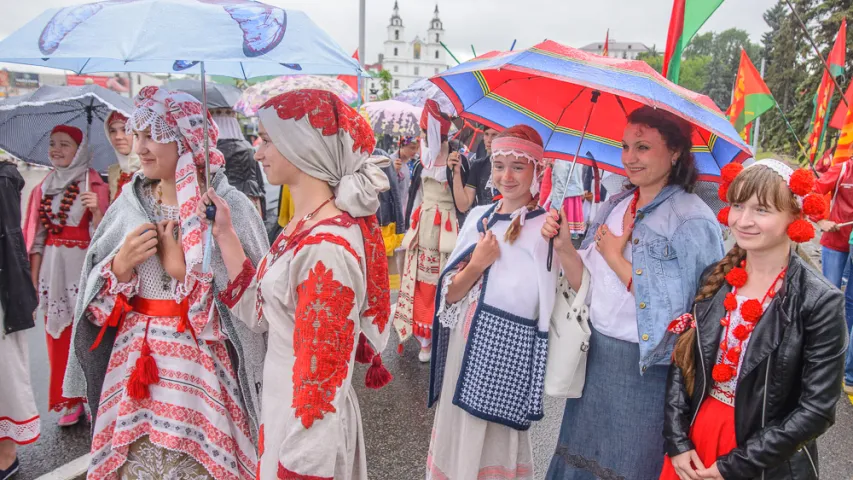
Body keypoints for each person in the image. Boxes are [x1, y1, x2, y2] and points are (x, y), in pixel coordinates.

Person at [62, 86, 268, 479]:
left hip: (202, 366)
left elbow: (252, 304)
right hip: (135, 365)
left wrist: (181, 270)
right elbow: (97, 306)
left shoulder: (228, 206)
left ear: (186, 140)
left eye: (152, 135)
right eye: (135, 134)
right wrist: (119, 267)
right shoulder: (129, 203)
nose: (139, 146)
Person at [209, 89, 392, 479]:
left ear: (303, 144)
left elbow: (323, 384)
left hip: (306, 435)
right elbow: (263, 314)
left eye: (267, 139)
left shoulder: (326, 248)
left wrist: (300, 467)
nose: (257, 152)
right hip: (283, 410)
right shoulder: (303, 226)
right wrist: (225, 234)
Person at [541, 106, 725, 480]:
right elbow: (587, 288)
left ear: (675, 152)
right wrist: (563, 247)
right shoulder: (615, 204)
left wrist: (613, 256)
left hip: (648, 373)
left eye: (642, 147)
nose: (629, 157)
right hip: (598, 358)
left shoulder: (693, 218)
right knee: (582, 462)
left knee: (629, 466)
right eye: (625, 147)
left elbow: (684, 311)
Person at [661, 160, 846, 480]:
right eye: (737, 205)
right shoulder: (715, 278)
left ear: (795, 216)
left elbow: (816, 411)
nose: (743, 220)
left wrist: (736, 464)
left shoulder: (819, 302)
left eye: (761, 209)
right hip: (698, 440)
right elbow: (684, 363)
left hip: (765, 456)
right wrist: (677, 441)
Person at [427, 125, 557, 479]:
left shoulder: (546, 228)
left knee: (494, 437)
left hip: (507, 349)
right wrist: (478, 264)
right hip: (465, 345)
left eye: (518, 166)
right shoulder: (477, 219)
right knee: (462, 428)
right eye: (500, 165)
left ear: (537, 170)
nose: (506, 176)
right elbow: (450, 293)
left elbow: (544, 305)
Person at [23, 124, 109, 427]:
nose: (56, 150)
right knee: (57, 337)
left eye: (65, 145)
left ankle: (91, 396)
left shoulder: (94, 184)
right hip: (53, 270)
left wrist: (97, 210)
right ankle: (68, 400)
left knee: (87, 336)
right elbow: (36, 238)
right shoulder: (43, 186)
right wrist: (33, 283)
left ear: (80, 151)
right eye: (53, 144)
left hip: (82, 267)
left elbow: (107, 238)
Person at [395, 99, 466, 362]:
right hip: (424, 224)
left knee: (443, 280)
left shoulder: (457, 160)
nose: (422, 137)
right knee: (421, 279)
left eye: (425, 132)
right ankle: (425, 337)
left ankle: (440, 335)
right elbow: (415, 196)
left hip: (445, 227)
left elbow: (463, 202)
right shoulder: (424, 161)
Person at [0, 155, 40, 480]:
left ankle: (6, 457)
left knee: (6, 375)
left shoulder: (5, 178)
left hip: (2, 295)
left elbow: (11, 240)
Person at [811, 154, 853, 395]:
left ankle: (843, 351)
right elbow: (810, 192)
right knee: (831, 297)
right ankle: (823, 352)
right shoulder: (842, 169)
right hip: (835, 243)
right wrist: (821, 220)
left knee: (850, 304)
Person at [212, 107, 266, 218]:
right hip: (248, 199)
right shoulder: (247, 148)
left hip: (219, 201)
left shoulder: (212, 151)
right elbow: (258, 180)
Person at [450, 125, 501, 213]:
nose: (489, 140)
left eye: (494, 135)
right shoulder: (478, 165)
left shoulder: (513, 168)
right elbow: (463, 206)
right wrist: (456, 172)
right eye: (486, 134)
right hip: (483, 222)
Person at [105, 111, 141, 202]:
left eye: (125, 129)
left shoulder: (152, 170)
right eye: (112, 131)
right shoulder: (114, 172)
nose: (118, 136)